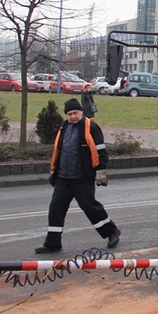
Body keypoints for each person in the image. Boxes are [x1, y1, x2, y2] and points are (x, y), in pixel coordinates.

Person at [34, 98, 120, 254]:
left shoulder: (91, 127)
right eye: (69, 114)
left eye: (75, 113)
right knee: (55, 209)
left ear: (81, 112)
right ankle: (52, 243)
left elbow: (101, 151)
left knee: (90, 207)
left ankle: (112, 232)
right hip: (64, 178)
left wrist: (101, 171)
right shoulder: (64, 127)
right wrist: (54, 172)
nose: (72, 116)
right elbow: (59, 151)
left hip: (83, 178)